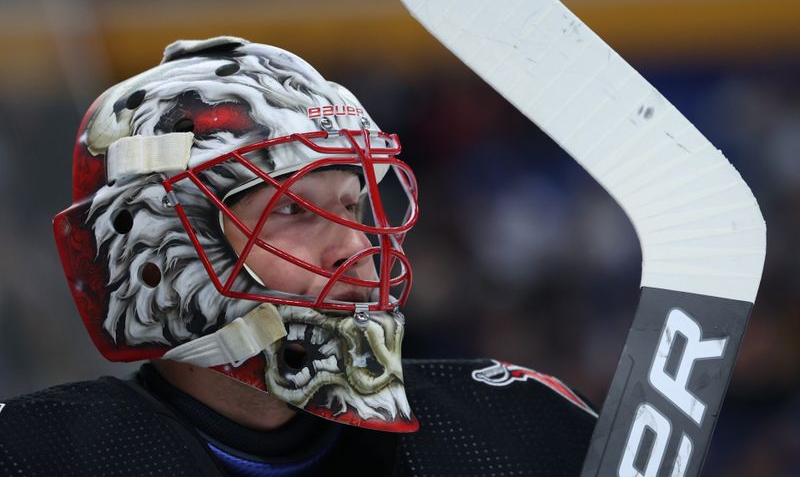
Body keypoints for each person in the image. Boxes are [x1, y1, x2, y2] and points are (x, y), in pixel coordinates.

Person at [0, 37, 597, 476]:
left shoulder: (518, 428)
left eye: (354, 206)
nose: (356, 247)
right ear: (159, 248)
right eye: (293, 210)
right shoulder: (34, 454)